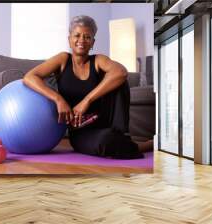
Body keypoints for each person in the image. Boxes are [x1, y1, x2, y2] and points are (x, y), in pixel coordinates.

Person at [23, 15, 152, 159]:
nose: (81, 41)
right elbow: (29, 77)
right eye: (77, 36)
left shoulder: (98, 60)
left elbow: (121, 72)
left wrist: (87, 100)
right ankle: (142, 145)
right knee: (106, 142)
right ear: (69, 39)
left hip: (107, 123)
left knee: (119, 80)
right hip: (81, 131)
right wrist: (58, 99)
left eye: (87, 37)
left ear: (93, 42)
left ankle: (123, 137)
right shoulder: (63, 59)